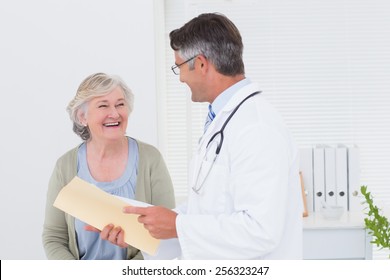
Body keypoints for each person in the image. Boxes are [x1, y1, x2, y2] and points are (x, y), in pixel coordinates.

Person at [98, 13, 303, 259]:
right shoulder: (224, 120)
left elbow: (260, 231)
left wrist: (177, 225)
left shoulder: (257, 128)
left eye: (179, 67)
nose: (181, 77)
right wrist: (143, 226)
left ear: (202, 64)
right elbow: (208, 209)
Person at [42, 72, 175, 260]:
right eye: (103, 105)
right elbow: (54, 237)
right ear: (82, 117)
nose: (114, 113)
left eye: (120, 104)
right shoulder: (65, 167)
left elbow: (166, 236)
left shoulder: (150, 159)